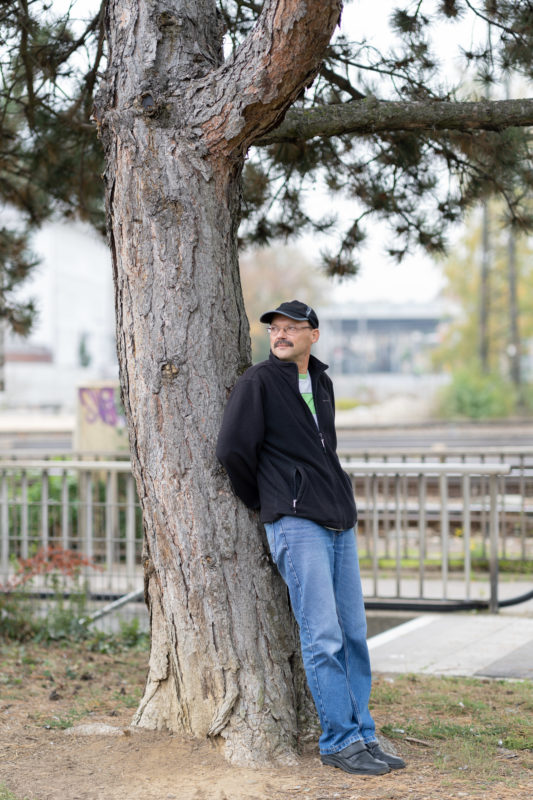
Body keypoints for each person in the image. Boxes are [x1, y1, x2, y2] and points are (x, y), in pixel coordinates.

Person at [216, 300, 406, 776]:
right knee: (322, 636)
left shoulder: (321, 383)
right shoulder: (257, 383)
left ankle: (363, 733)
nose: (280, 335)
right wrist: (271, 499)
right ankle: (338, 741)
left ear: (312, 335)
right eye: (275, 329)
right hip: (297, 523)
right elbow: (232, 450)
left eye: (291, 328)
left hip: (338, 520)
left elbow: (326, 448)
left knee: (354, 635)